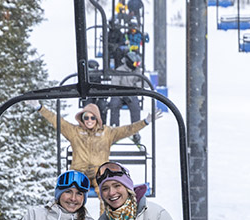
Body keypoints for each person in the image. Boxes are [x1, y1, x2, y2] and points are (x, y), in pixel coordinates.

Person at [29, 99, 158, 188]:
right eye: (86, 117)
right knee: (74, 193)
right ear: (82, 118)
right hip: (79, 172)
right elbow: (56, 120)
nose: (89, 120)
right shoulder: (74, 131)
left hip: (99, 173)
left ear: (97, 119)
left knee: (106, 192)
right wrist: (40, 108)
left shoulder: (107, 133)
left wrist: (145, 122)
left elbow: (127, 130)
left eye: (92, 118)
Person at [109, 52, 143, 129]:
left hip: (131, 93)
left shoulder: (137, 71)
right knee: (114, 104)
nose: (136, 66)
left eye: (138, 64)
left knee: (135, 107)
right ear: (129, 62)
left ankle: (135, 129)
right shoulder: (120, 70)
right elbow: (115, 85)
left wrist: (136, 86)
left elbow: (145, 83)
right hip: (119, 94)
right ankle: (114, 128)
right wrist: (122, 95)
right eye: (135, 64)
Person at [80, 59, 109, 125]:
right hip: (89, 95)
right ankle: (86, 124)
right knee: (89, 106)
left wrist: (103, 94)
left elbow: (100, 85)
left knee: (102, 106)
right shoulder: (85, 76)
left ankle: (102, 125)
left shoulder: (98, 75)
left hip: (98, 94)